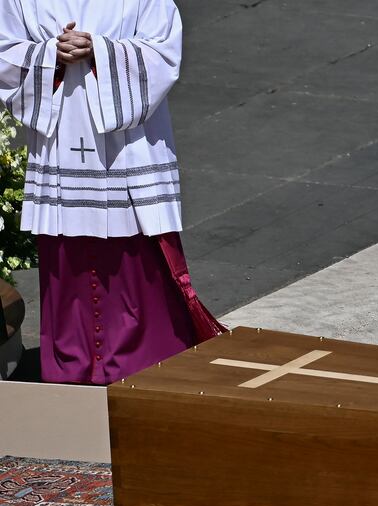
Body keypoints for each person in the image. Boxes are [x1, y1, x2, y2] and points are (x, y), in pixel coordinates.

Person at [0, 0, 221, 385]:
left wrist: (100, 51)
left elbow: (163, 50)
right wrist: (48, 54)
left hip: (126, 151)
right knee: (68, 259)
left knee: (133, 262)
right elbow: (5, 49)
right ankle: (73, 367)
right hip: (60, 142)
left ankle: (142, 367)